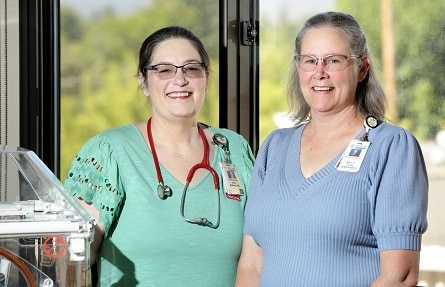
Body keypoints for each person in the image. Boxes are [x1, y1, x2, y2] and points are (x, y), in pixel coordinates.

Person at [236, 11, 428, 287]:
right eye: (310, 60)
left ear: (362, 69)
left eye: (334, 60)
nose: (319, 72)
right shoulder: (274, 147)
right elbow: (251, 266)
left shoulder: (391, 147)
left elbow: (399, 277)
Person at [64, 26, 255, 286]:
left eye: (192, 68)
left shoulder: (233, 149)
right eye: (164, 70)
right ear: (143, 82)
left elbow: (258, 257)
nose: (180, 80)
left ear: (206, 78)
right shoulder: (109, 153)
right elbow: (69, 265)